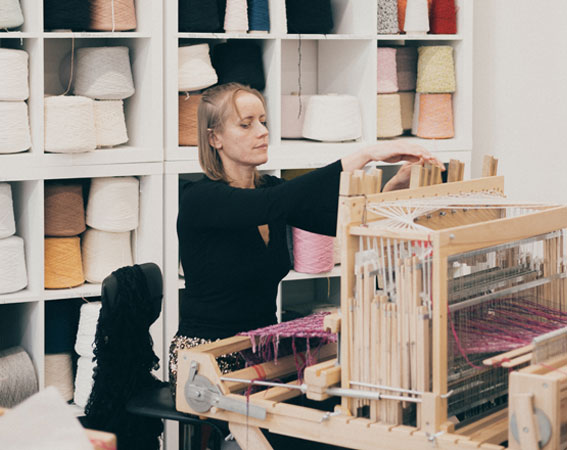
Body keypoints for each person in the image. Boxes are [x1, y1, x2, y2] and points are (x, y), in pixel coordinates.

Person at [169, 82, 444, 391]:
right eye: (246, 124)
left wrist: (394, 189)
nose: (262, 131)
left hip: (261, 352)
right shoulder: (200, 199)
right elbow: (271, 205)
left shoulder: (268, 191)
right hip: (207, 358)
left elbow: (347, 224)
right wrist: (365, 155)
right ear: (214, 138)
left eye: (263, 121)